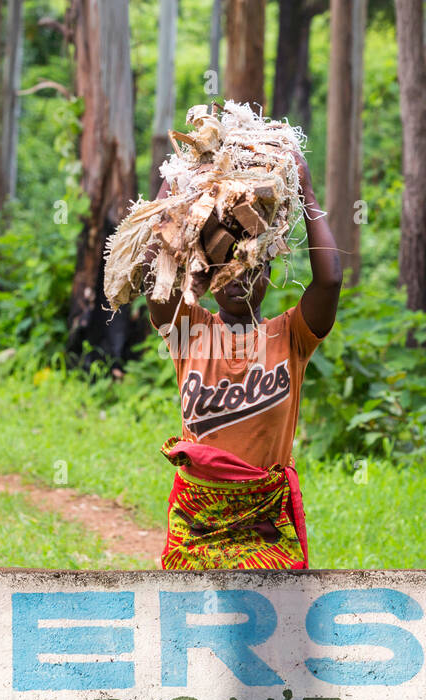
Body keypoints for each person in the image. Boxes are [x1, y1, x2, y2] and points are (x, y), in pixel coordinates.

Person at [146, 151, 341, 570]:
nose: (239, 280)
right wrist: (174, 181)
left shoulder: (291, 337)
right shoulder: (188, 331)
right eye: (227, 269)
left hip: (264, 521)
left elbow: (330, 279)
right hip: (198, 522)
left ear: (269, 271)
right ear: (210, 274)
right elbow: (152, 271)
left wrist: (304, 188)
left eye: (251, 267)